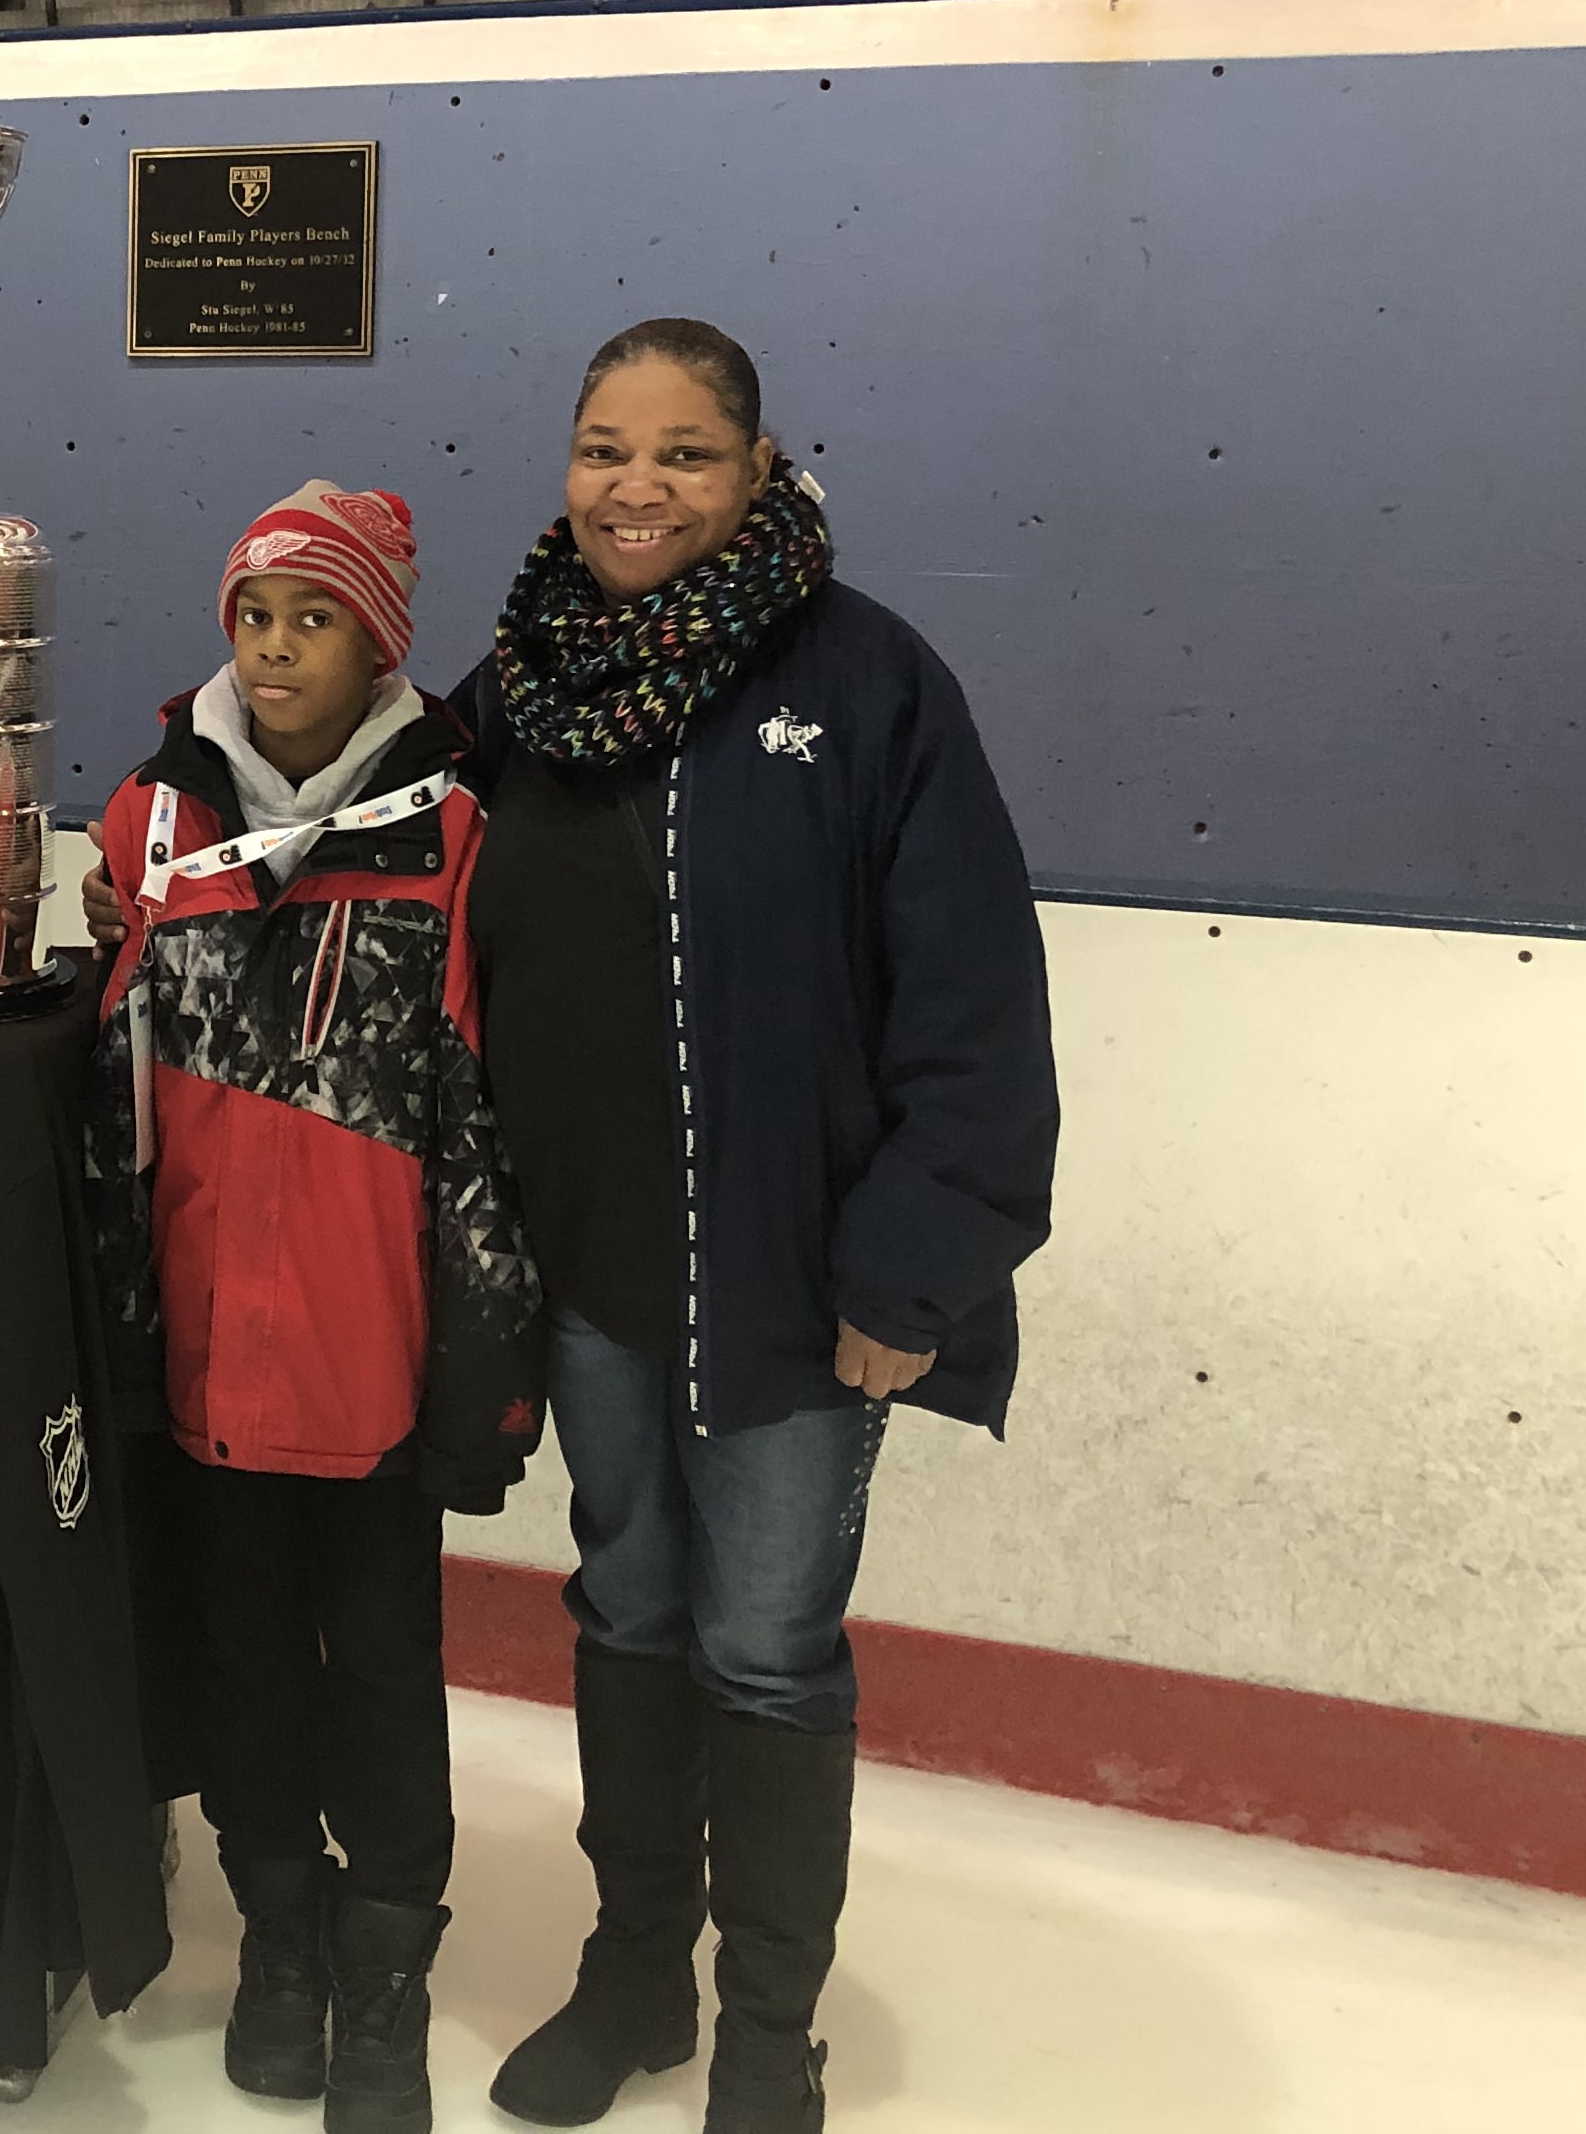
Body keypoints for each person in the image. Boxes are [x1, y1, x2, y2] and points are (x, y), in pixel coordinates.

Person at [461, 321, 1057, 2134]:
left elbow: (974, 1004)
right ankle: (636, 1970)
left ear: (757, 468)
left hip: (805, 1293)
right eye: (603, 446)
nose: (636, 485)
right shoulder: (517, 689)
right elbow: (408, 902)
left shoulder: (866, 680)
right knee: (631, 1612)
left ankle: (770, 2031)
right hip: (593, 1276)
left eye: (685, 452)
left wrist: (916, 1270)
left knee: (765, 1650)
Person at [84, 481, 543, 2134]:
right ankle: (280, 1942)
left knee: (384, 1674)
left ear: (381, 643)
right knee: (247, 1669)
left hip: (373, 1366)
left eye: (315, 619)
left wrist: (483, 1369)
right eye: (254, 618)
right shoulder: (149, 819)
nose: (275, 650)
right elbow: (112, 1086)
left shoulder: (455, 832)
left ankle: (386, 1968)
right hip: (206, 1354)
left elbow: (482, 1124)